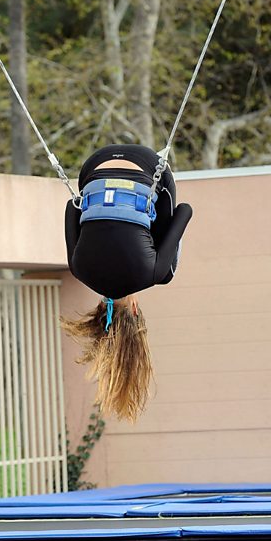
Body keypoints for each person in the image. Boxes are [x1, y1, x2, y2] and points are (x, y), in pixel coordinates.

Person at [62, 144, 193, 423]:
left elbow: (184, 210)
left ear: (135, 312)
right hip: (93, 166)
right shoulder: (79, 270)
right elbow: (71, 208)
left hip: (148, 165)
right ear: (99, 310)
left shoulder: (157, 274)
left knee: (162, 249)